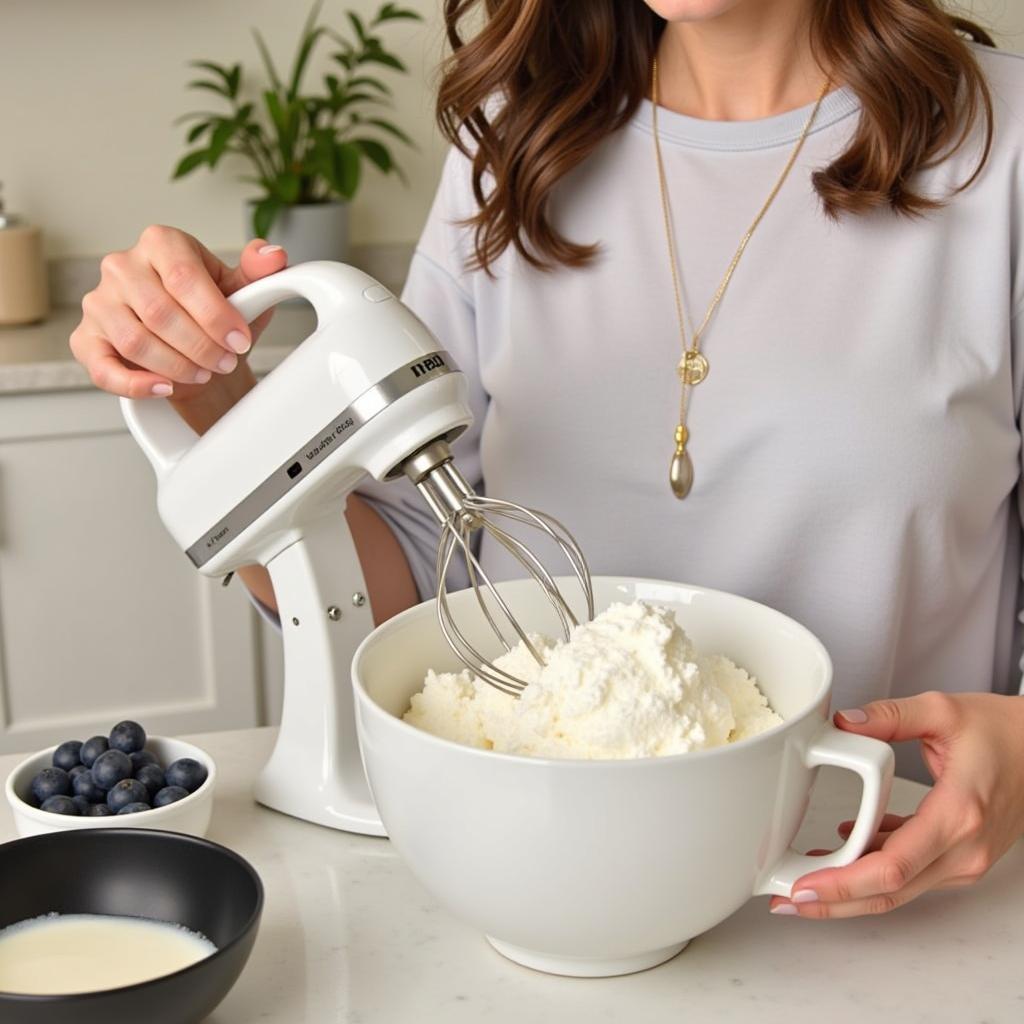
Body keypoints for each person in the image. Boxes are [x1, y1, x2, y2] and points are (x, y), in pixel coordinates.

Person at [70, 0, 1024, 921]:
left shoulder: (1002, 145)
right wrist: (206, 391)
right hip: (539, 884)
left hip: (885, 897)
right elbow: (401, 594)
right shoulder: (514, 142)